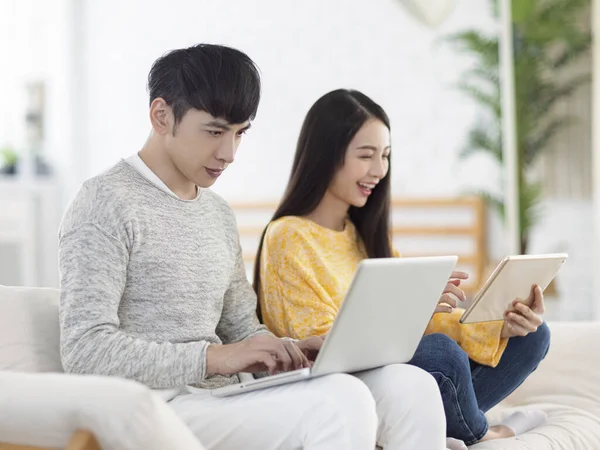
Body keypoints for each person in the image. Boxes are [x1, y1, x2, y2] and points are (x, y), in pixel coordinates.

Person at [58, 44, 448, 450]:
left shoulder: (216, 213)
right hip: (160, 405)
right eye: (214, 131)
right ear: (161, 116)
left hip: (224, 395)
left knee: (411, 386)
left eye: (239, 133)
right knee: (339, 404)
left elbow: (242, 327)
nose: (228, 154)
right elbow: (85, 349)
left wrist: (293, 351)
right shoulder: (103, 202)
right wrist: (217, 357)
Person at [255, 88, 551, 448]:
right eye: (366, 156)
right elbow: (320, 348)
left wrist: (500, 325)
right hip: (349, 381)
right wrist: (407, 314)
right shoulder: (288, 237)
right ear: (325, 156)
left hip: (398, 366)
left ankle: (454, 423)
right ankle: (483, 430)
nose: (379, 170)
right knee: (441, 354)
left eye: (385, 156)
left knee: (533, 336)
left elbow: (423, 325)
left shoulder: (364, 236)